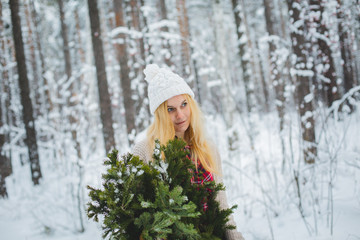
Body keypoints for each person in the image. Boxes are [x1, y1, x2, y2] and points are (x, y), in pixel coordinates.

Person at [132, 64, 244, 240]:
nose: (181, 115)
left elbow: (221, 202)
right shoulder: (145, 150)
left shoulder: (207, 147)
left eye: (184, 105)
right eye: (171, 109)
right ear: (160, 114)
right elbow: (137, 212)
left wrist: (234, 236)